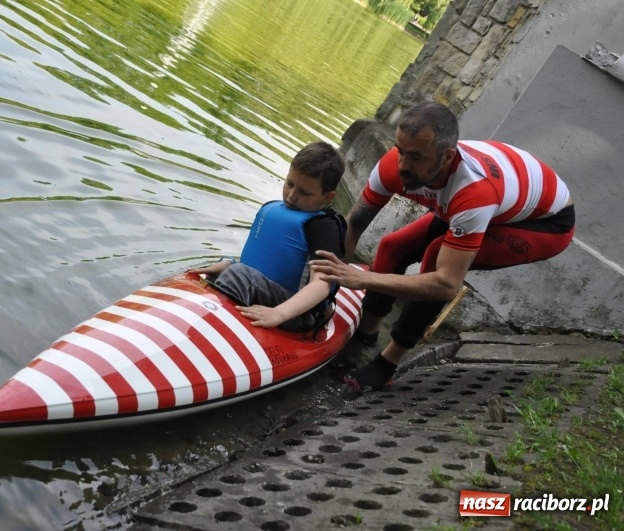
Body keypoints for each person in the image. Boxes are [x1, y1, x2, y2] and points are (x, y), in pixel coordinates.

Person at [310, 101, 575, 391]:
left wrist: (363, 278)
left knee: (438, 257)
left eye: (415, 157)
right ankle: (368, 330)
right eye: (400, 150)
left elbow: (447, 284)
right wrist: (326, 288)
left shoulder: (473, 193)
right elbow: (354, 225)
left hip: (544, 223)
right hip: (500, 198)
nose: (402, 165)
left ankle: (387, 363)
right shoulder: (394, 165)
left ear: (447, 157)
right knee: (391, 246)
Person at [189, 141, 346, 332]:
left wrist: (278, 313)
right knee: (218, 274)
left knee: (238, 274)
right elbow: (263, 263)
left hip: (295, 312)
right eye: (289, 184)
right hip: (260, 291)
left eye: (304, 192)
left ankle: (205, 329)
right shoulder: (271, 209)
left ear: (327, 197)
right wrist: (229, 265)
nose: (292, 196)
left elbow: (321, 286)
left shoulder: (323, 227)